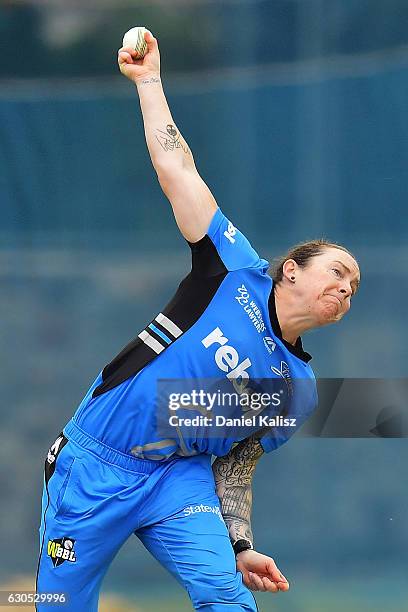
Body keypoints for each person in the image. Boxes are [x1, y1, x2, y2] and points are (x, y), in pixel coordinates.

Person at [35, 31, 360, 611]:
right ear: (290, 271)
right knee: (55, 605)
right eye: (338, 271)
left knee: (227, 597)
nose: (346, 287)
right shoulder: (233, 268)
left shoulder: (297, 388)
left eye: (354, 286)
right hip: (95, 465)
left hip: (178, 479)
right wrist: (149, 82)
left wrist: (238, 543)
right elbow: (175, 166)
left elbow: (235, 462)